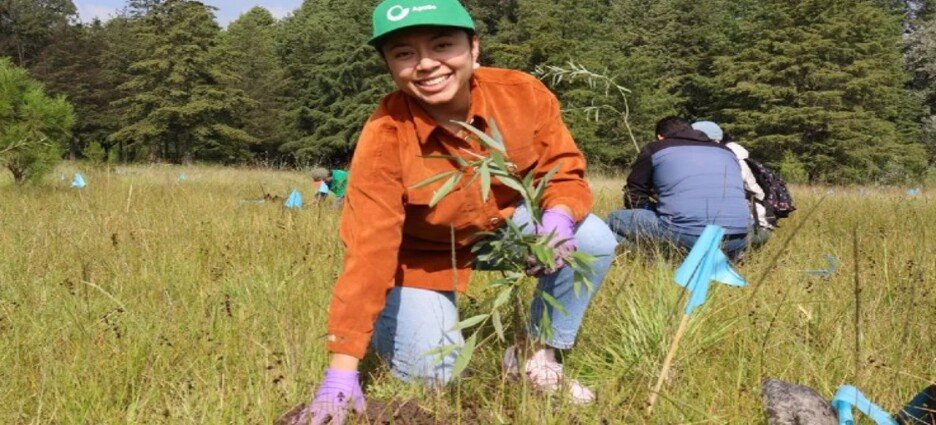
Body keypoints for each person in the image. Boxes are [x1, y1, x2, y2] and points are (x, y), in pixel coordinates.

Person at [289, 1, 618, 423]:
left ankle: (535, 355)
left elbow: (563, 171)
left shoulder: (522, 94)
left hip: (502, 231)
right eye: (404, 53)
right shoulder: (385, 134)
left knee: (593, 238)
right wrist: (340, 370)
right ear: (390, 66)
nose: (426, 64)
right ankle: (400, 319)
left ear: (474, 48)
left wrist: (556, 218)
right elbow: (369, 250)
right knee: (432, 379)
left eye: (442, 45)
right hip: (421, 260)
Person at [606, 116, 751, 260]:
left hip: (687, 235)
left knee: (613, 220)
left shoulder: (655, 149)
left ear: (660, 137)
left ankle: (658, 259)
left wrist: (651, 208)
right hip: (738, 238)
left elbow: (634, 195)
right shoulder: (726, 151)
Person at [690, 121, 773, 247]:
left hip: (745, 229)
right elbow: (757, 192)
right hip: (748, 226)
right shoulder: (735, 156)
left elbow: (755, 193)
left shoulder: (732, 159)